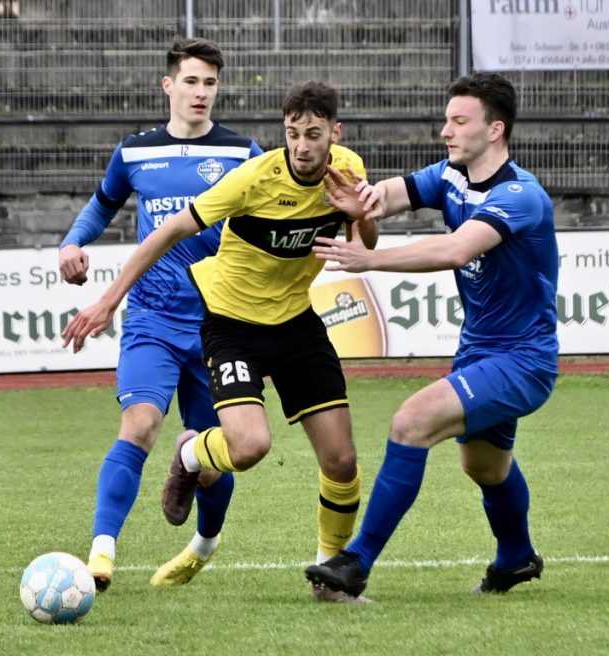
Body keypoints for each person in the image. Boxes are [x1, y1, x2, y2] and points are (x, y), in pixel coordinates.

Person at [62, 81, 378, 582]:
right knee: (249, 448)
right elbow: (168, 232)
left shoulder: (350, 171)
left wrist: (362, 216)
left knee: (342, 460)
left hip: (296, 322)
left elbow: (364, 241)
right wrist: (108, 299)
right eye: (292, 133)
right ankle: (189, 453)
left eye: (312, 134)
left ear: (333, 134)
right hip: (232, 323)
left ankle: (329, 573)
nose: (300, 145)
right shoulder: (253, 177)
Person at [304, 72, 559, 599]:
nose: (445, 130)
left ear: (495, 130)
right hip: (480, 351)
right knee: (484, 464)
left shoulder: (521, 195)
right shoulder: (451, 175)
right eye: (446, 119)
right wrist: (364, 200)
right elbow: (396, 192)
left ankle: (356, 563)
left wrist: (369, 259)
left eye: (459, 121)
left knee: (410, 421)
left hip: (522, 360)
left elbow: (455, 250)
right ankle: (515, 559)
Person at [58, 38, 263, 593]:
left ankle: (203, 545)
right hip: (152, 318)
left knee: (214, 457)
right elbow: (103, 203)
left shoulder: (246, 154)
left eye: (210, 83)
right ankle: (101, 554)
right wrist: (72, 243)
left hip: (221, 325)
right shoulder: (134, 153)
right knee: (142, 423)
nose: (201, 92)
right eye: (191, 81)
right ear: (168, 85)